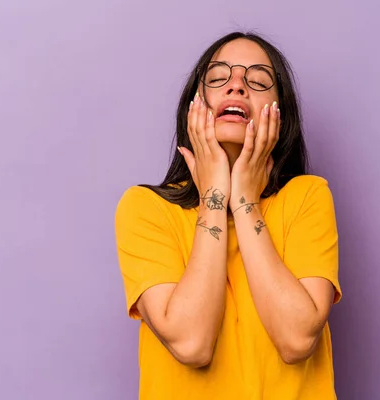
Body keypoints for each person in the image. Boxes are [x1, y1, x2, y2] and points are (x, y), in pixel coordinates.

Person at [115, 31, 342, 400]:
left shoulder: (308, 197)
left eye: (258, 80)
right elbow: (191, 344)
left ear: (279, 117)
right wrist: (215, 198)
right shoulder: (145, 208)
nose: (236, 86)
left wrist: (245, 201)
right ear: (194, 107)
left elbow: (297, 339)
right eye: (218, 77)